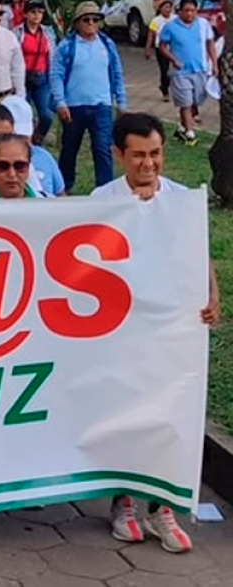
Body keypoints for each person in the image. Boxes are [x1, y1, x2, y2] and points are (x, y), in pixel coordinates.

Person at [92, 111, 219, 555]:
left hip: (171, 329)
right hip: (123, 330)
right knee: (127, 410)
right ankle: (122, 501)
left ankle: (162, 506)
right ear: (119, 155)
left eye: (156, 154)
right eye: (139, 155)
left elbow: (197, 252)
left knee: (170, 413)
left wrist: (212, 293)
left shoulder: (182, 199)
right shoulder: (102, 198)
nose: (149, 164)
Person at [49, 1, 127, 190]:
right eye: (86, 19)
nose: (91, 23)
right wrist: (60, 102)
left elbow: (117, 72)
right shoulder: (67, 46)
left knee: (102, 150)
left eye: (95, 19)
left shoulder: (107, 45)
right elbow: (56, 74)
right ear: (77, 23)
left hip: (102, 105)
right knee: (69, 149)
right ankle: (65, 187)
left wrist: (121, 101)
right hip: (73, 106)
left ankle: (105, 189)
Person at [157, 0, 218, 145]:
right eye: (186, 11)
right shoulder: (171, 27)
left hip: (200, 69)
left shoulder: (203, 25)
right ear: (180, 11)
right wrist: (173, 59)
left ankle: (182, 127)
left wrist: (214, 64)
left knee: (196, 100)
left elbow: (210, 43)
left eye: (193, 11)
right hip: (180, 71)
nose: (190, 14)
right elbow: (162, 46)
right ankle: (190, 133)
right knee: (186, 102)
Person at [15, 0, 56, 143]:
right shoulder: (18, 32)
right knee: (24, 115)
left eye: (40, 12)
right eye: (33, 12)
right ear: (25, 14)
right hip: (23, 78)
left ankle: (38, 138)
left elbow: (53, 55)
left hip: (42, 78)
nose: (36, 15)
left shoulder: (48, 33)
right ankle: (26, 142)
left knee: (47, 116)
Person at [145, 0, 176, 100]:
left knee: (174, 71)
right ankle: (165, 91)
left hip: (174, 48)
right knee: (164, 70)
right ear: (160, 9)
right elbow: (151, 35)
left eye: (169, 7)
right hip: (161, 48)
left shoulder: (175, 19)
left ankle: (169, 86)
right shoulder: (156, 21)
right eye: (165, 7)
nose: (168, 9)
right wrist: (148, 48)